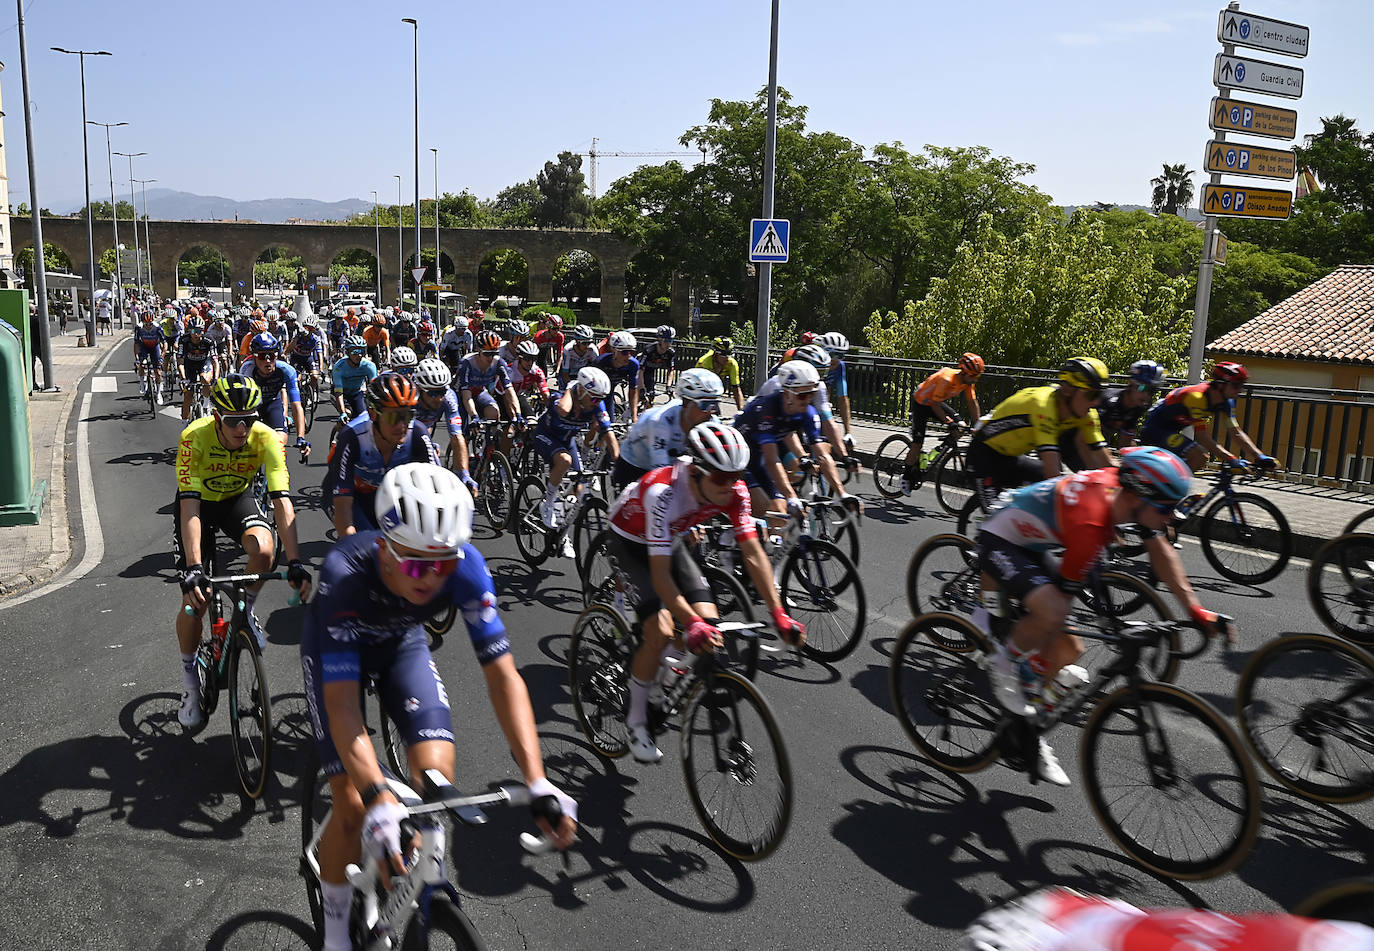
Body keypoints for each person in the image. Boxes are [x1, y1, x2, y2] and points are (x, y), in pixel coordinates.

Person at [302, 462, 576, 951]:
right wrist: (374, 794)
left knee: (434, 782)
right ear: (384, 544)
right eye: (414, 564)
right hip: (338, 652)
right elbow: (342, 707)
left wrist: (537, 779)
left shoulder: (464, 563)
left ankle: (410, 872)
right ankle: (337, 928)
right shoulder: (344, 574)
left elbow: (503, 676)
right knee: (350, 800)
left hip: (401, 646)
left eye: (443, 563)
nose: (430, 578)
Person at [975, 447, 1220, 786]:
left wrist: (1195, 609)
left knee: (1069, 650)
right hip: (1001, 538)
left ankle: (1027, 728)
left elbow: (1161, 552)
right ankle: (1003, 665)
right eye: (1167, 507)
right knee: (1053, 611)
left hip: (1033, 545)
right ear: (1139, 497)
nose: (1172, 515)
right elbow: (1062, 597)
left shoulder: (1128, 500)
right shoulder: (1092, 521)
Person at [607, 421, 806, 763]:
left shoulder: (735, 490)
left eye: (736, 476)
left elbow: (754, 555)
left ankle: (665, 669)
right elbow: (659, 575)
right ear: (696, 473)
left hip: (669, 540)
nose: (730, 486)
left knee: (711, 626)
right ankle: (636, 721)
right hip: (629, 541)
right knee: (660, 629)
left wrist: (778, 614)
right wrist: (688, 621)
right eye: (720, 478)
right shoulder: (664, 493)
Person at [174, 375, 311, 729]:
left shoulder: (264, 437)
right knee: (196, 602)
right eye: (233, 420)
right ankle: (190, 682)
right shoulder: (194, 436)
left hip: (236, 500)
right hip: (200, 506)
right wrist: (193, 566)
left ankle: (246, 610)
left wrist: (294, 561)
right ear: (217, 417)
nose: (242, 428)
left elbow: (282, 501)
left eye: (248, 419)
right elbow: (189, 506)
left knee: (266, 550)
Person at [967, 357, 1113, 506]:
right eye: (1092, 395)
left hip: (1012, 457)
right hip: (984, 454)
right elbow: (1053, 473)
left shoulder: (1087, 412)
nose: (1096, 402)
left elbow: (1104, 460)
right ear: (1068, 389)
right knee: (995, 515)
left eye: (1099, 395)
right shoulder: (1043, 405)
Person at [733, 360, 862, 521]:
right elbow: (772, 460)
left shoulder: (806, 411)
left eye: (812, 394)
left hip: (761, 454)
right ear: (787, 393)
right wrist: (791, 496)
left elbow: (822, 455)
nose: (807, 400)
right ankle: (735, 535)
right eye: (802, 395)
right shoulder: (767, 409)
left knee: (781, 515)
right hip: (739, 456)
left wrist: (842, 493)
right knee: (762, 505)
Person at [324, 372, 439, 537]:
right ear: (373, 415)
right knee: (365, 543)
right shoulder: (352, 437)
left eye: (408, 416)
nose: (402, 425)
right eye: (393, 417)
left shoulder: (418, 433)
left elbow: (436, 490)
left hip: (390, 493)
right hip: (355, 494)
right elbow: (343, 507)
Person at [530, 366, 619, 557]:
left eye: (601, 399)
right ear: (581, 390)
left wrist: (618, 462)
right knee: (565, 460)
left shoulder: (595, 404)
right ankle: (548, 502)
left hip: (567, 441)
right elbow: (563, 410)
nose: (597, 403)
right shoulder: (561, 398)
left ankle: (562, 535)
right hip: (545, 436)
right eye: (594, 398)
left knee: (578, 491)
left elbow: (609, 434)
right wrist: (572, 389)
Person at [1140, 361, 1276, 474]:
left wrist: (1260, 457)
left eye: (1241, 386)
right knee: (1199, 456)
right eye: (1236, 385)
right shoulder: (1197, 398)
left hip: (1173, 430)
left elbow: (1236, 432)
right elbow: (1202, 437)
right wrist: (1230, 459)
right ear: (1220, 384)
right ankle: (1168, 495)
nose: (1240, 390)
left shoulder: (1227, 401)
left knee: (1194, 460)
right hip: (1156, 429)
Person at [612, 368, 724, 492]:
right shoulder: (660, 422)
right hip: (635, 465)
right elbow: (661, 473)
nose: (712, 412)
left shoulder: (712, 421)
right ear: (686, 403)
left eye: (716, 404)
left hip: (672, 461)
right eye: (705, 405)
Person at [1059, 359, 1166, 470]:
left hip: (1096, 445)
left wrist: (1141, 463)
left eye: (1152, 391)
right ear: (1131, 384)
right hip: (1074, 441)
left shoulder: (1139, 407)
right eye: (1143, 388)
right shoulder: (1108, 401)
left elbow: (1125, 443)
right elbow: (1085, 437)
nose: (1147, 396)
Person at [901, 353, 984, 495]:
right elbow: (934, 404)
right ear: (963, 372)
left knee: (961, 426)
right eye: (973, 376)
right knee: (917, 443)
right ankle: (906, 476)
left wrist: (978, 426)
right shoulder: (946, 378)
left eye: (977, 376)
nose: (975, 379)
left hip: (935, 402)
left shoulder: (967, 382)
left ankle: (936, 452)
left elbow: (972, 402)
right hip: (922, 402)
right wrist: (949, 422)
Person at [240, 332, 310, 459]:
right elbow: (241, 403)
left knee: (280, 443)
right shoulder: (247, 369)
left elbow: (296, 405)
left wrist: (301, 438)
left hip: (273, 403)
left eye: (271, 356)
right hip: (252, 405)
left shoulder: (287, 371)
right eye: (262, 356)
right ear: (254, 357)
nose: (267, 360)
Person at [412, 358, 477, 494]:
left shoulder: (448, 397)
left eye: (441, 392)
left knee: (436, 479)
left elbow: (457, 437)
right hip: (405, 433)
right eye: (433, 393)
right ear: (420, 389)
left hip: (424, 429)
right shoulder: (410, 397)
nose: (439, 398)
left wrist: (465, 474)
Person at [590, 330, 643, 423]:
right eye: (625, 352)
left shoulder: (633, 364)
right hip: (595, 393)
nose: (629, 356)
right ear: (614, 350)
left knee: (610, 424)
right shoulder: (601, 362)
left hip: (610, 391)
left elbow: (633, 391)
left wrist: (634, 416)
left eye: (632, 352)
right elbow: (590, 391)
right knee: (596, 423)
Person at [177, 318, 217, 421]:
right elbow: (180, 361)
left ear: (203, 331)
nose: (196, 334)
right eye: (193, 331)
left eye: (199, 331)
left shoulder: (209, 339)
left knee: (205, 379)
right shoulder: (183, 340)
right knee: (187, 396)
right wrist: (183, 378)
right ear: (189, 331)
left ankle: (206, 405)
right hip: (189, 364)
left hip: (204, 363)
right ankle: (185, 421)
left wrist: (216, 378)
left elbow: (215, 361)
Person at [330, 334, 378, 420]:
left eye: (361, 351)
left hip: (356, 393)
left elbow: (375, 389)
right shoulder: (339, 367)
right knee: (347, 415)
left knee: (364, 416)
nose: (359, 355)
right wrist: (342, 413)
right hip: (341, 394)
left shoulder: (369, 366)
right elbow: (339, 393)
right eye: (355, 352)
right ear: (347, 352)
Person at [696, 337, 745, 411]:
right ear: (715, 354)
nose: (727, 358)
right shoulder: (703, 363)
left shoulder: (732, 364)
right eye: (724, 354)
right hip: (701, 386)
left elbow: (736, 389)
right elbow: (697, 387)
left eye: (730, 354)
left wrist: (741, 411)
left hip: (717, 383)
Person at [132, 311, 167, 404]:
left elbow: (164, 343)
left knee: (158, 372)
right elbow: (136, 343)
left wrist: (162, 357)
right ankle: (142, 382)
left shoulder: (157, 327)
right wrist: (136, 358)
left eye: (150, 324)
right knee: (141, 364)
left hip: (155, 346)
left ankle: (159, 393)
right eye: (145, 324)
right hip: (143, 346)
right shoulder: (138, 328)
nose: (148, 326)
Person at [638, 325, 678, 406]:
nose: (669, 344)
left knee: (650, 397)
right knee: (638, 396)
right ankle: (629, 414)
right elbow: (640, 371)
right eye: (666, 340)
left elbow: (671, 370)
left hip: (650, 372)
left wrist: (669, 386)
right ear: (659, 339)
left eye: (671, 340)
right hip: (639, 372)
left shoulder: (670, 352)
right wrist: (641, 388)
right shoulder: (649, 350)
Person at [558, 324, 597, 388]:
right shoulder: (568, 349)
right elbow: (565, 374)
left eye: (589, 342)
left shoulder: (592, 349)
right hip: (568, 373)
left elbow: (596, 370)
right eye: (584, 343)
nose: (587, 346)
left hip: (583, 374)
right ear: (577, 341)